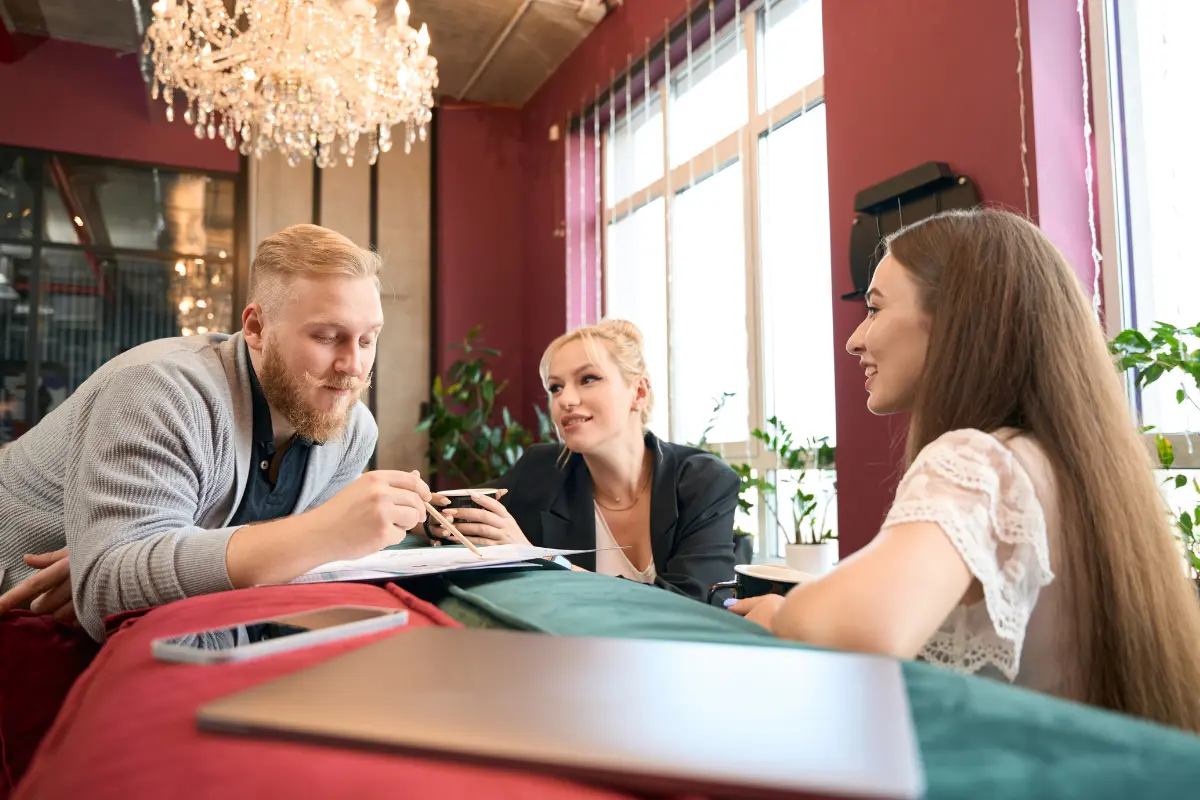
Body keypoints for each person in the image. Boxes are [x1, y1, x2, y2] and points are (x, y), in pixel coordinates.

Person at [730, 208, 1200, 732]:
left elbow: (862, 628)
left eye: (875, 309)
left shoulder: (980, 461)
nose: (855, 339)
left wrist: (783, 614)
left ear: (953, 320)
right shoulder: (1071, 464)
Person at [0, 224, 432, 640]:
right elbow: (109, 595)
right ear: (256, 328)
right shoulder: (160, 391)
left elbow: (275, 578)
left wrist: (149, 564)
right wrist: (321, 533)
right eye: (326, 336)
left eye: (367, 339)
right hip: (20, 604)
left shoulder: (352, 432)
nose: (353, 367)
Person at [428, 319, 739, 602]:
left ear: (639, 392)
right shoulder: (543, 469)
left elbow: (696, 604)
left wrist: (539, 560)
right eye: (555, 387)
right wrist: (427, 515)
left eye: (588, 379)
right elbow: (452, 508)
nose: (565, 400)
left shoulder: (704, 481)